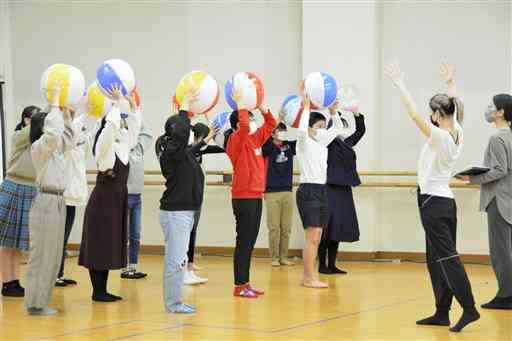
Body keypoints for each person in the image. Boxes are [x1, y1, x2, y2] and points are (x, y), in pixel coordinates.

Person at [386, 63, 479, 332]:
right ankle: (441, 312)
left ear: (438, 115)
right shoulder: (457, 130)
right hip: (441, 202)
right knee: (435, 258)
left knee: (447, 258)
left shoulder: (441, 137)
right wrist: (451, 82)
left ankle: (469, 308)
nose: (430, 117)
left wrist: (400, 84)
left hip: (433, 202)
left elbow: (414, 115)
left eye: (433, 114)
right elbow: (458, 105)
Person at [78, 86, 141, 302]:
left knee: (108, 244)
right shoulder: (102, 148)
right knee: (99, 245)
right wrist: (114, 105)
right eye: (118, 124)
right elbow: (109, 129)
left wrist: (132, 108)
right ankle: (98, 291)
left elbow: (133, 130)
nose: (121, 126)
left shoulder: (123, 146)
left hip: (116, 200)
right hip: (103, 201)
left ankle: (102, 290)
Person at [25, 86, 74, 315]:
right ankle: (35, 304)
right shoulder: (39, 148)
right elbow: (54, 134)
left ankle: (41, 301)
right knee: (42, 255)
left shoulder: (54, 149)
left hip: (57, 202)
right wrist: (54, 104)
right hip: (44, 201)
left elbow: (67, 137)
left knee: (54, 256)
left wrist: (64, 114)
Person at [461, 94, 512, 310]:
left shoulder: (497, 138)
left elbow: (500, 170)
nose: (488, 108)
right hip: (508, 199)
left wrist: (472, 178)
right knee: (506, 251)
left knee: (500, 252)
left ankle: (506, 296)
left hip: (499, 200)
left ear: (500, 112)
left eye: (492, 105)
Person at [156, 90, 204, 313]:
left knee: (177, 260)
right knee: (176, 262)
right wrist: (184, 108)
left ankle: (174, 303)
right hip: (177, 213)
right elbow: (181, 134)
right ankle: (173, 304)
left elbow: (189, 144)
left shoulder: (179, 152)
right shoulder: (171, 152)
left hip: (182, 213)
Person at [226, 90, 276, 298]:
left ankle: (245, 283)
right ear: (238, 123)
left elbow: (271, 125)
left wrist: (262, 107)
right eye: (249, 117)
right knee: (244, 242)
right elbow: (245, 125)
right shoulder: (236, 141)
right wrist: (241, 104)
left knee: (250, 243)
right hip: (243, 198)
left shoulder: (255, 141)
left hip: (256, 196)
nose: (252, 121)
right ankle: (239, 286)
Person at [295, 93, 346, 289]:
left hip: (321, 190)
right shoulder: (304, 143)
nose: (323, 131)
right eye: (319, 127)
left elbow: (339, 128)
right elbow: (301, 131)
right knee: (312, 236)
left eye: (324, 127)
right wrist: (306, 108)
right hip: (308, 190)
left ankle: (308, 275)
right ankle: (308, 277)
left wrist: (333, 113)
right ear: (309, 127)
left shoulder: (322, 143)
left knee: (317, 237)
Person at [0, 105, 40, 297]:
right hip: (14, 187)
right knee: (7, 242)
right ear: (24, 119)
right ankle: (7, 282)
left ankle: (14, 280)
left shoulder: (38, 142)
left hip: (31, 190)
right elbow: (30, 132)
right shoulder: (19, 136)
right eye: (33, 118)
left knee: (17, 244)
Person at [319, 111, 366, 275]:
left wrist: (357, 115)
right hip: (330, 188)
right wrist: (334, 115)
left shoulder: (346, 143)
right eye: (341, 126)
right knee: (327, 228)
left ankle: (331, 264)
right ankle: (321, 265)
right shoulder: (328, 143)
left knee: (338, 228)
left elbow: (360, 131)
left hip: (344, 189)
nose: (344, 130)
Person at [57, 112, 97, 287]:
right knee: (59, 238)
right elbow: (72, 138)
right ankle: (54, 275)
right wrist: (80, 116)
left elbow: (90, 138)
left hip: (73, 198)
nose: (82, 131)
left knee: (64, 238)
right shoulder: (66, 147)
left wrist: (93, 118)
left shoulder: (80, 146)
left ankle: (59, 273)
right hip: (63, 197)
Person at [183, 122, 224, 285]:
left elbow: (221, 149)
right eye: (205, 137)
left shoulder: (202, 149)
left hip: (196, 198)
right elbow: (193, 150)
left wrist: (222, 137)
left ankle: (190, 266)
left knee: (193, 232)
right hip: (187, 199)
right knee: (186, 233)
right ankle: (184, 269)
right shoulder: (186, 150)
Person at [262, 121, 296, 267]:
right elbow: (265, 145)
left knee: (286, 227)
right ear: (273, 132)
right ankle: (274, 257)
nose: (282, 134)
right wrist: (272, 132)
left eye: (283, 131)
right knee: (274, 227)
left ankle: (283, 257)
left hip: (287, 191)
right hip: (271, 192)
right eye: (279, 131)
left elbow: (303, 137)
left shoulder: (289, 146)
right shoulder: (267, 146)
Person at [122, 123, 153, 279]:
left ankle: (132, 266)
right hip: (124, 197)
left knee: (135, 234)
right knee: (125, 235)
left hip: (137, 197)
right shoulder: (121, 150)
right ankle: (124, 268)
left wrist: (135, 116)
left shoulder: (139, 148)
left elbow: (147, 133)